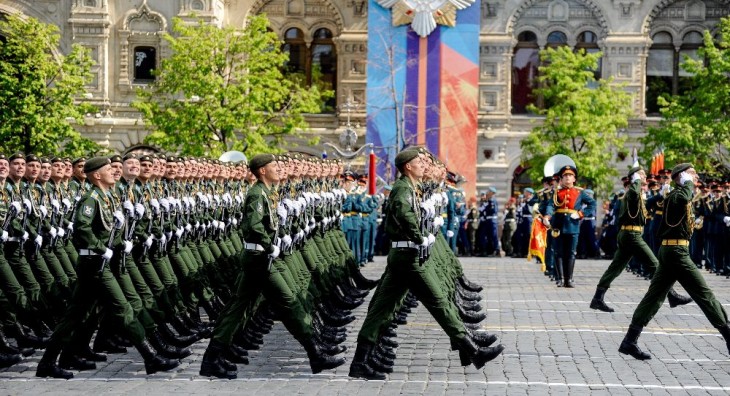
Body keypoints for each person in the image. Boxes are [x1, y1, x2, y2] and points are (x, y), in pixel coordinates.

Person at [348, 148, 503, 380]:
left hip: (406, 256)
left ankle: (360, 362)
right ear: (408, 166)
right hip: (409, 257)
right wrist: (419, 236)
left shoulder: (411, 187)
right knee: (438, 302)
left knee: (381, 310)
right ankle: (473, 351)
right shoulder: (402, 188)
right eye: (418, 161)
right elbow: (404, 213)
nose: (423, 164)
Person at [36, 156, 179, 379]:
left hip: (100, 262)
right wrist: (101, 247)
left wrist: (122, 242)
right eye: (108, 170)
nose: (114, 172)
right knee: (124, 309)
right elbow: (82, 229)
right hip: (95, 263)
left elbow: (110, 230)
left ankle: (51, 361)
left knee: (76, 315)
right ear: (96, 175)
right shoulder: (91, 199)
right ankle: (151, 358)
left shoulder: (107, 197)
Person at [618, 163, 730, 360]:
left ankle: (629, 340)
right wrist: (686, 183)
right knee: (704, 294)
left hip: (672, 251)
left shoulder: (680, 196)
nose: (696, 178)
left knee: (654, 297)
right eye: (692, 174)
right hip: (676, 252)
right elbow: (683, 197)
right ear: (683, 176)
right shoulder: (678, 194)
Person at [590, 165, 691, 312]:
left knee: (615, 268)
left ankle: (597, 298)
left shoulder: (637, 194)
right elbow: (633, 196)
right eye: (641, 175)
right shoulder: (632, 191)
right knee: (655, 264)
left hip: (629, 234)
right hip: (632, 235)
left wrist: (659, 195)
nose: (644, 177)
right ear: (635, 178)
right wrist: (636, 181)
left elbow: (645, 205)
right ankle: (672, 295)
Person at [544, 164, 595, 288]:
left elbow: (592, 204)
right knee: (558, 252)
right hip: (558, 225)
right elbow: (551, 205)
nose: (568, 177)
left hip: (572, 226)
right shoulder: (557, 192)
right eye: (565, 175)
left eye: (570, 175)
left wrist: (581, 213)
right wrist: (547, 216)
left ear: (574, 179)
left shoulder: (579, 192)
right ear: (561, 178)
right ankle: (560, 278)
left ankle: (569, 279)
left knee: (571, 253)